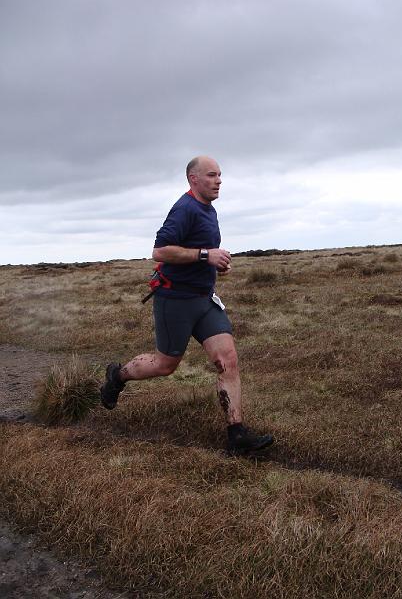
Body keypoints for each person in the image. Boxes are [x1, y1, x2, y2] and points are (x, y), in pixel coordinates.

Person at [100, 155, 273, 455]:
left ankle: (237, 435)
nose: (219, 180)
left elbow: (200, 251)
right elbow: (160, 251)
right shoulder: (184, 209)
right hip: (175, 301)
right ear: (193, 179)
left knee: (227, 360)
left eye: (220, 175)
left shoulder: (210, 210)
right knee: (165, 365)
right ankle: (118, 376)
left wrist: (216, 264)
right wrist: (207, 256)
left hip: (204, 300)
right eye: (211, 175)